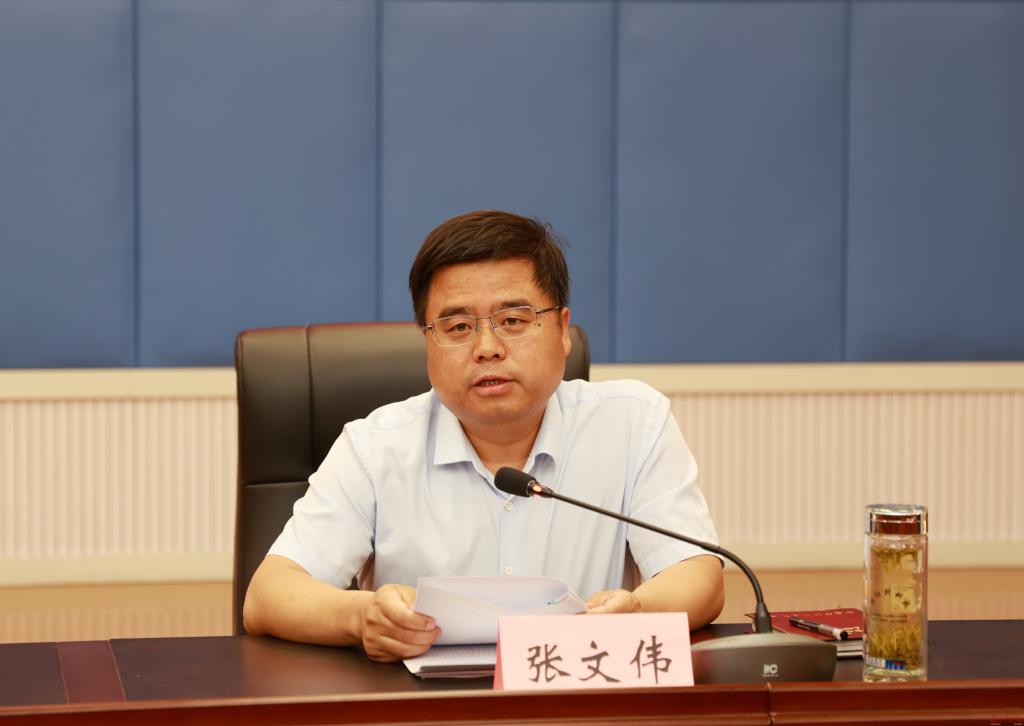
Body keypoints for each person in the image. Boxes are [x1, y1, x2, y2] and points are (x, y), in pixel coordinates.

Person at [243, 210, 724, 662]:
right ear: (427, 341)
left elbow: (697, 573)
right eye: (458, 327)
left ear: (562, 330)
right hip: (423, 703)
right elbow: (268, 595)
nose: (488, 348)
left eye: (513, 321)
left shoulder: (633, 422)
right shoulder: (374, 447)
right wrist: (361, 617)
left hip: (578, 691)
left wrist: (639, 613)